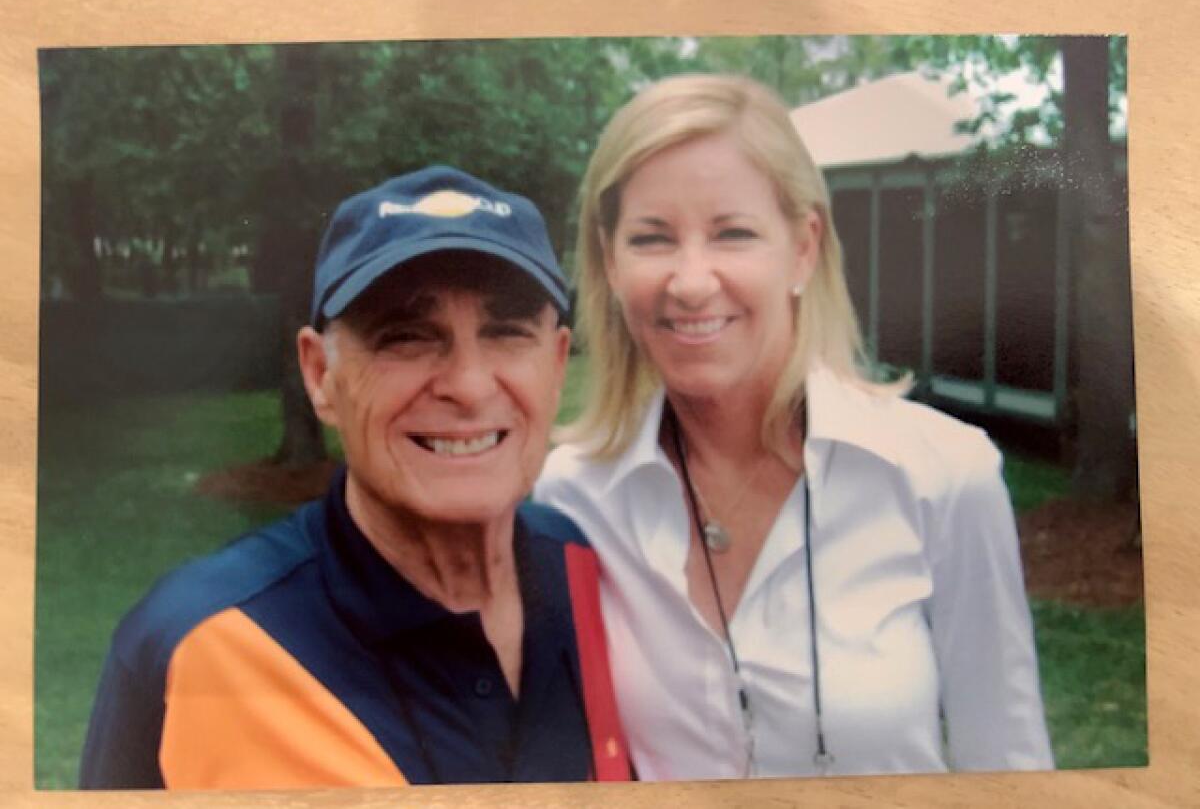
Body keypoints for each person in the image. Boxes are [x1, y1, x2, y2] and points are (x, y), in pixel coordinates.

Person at [535, 75, 1054, 780]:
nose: (691, 281)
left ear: (803, 248)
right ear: (610, 260)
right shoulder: (568, 500)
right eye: (652, 238)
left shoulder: (944, 473)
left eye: (734, 233)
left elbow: (1012, 767)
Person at [80, 166, 631, 789]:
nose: (470, 386)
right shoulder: (194, 643)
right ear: (320, 375)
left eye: (506, 333)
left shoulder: (589, 570)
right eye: (406, 337)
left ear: (557, 365)